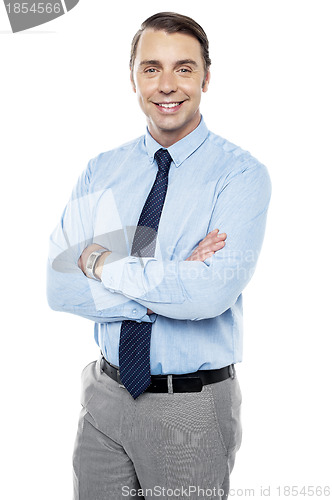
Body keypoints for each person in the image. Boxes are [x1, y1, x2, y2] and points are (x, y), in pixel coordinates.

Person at [47, 11, 271, 500]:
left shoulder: (240, 176)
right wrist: (165, 284)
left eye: (183, 69)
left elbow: (209, 293)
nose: (167, 85)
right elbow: (58, 286)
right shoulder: (101, 170)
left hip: (187, 407)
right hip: (103, 397)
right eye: (151, 68)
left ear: (206, 78)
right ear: (132, 78)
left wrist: (102, 264)